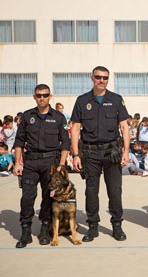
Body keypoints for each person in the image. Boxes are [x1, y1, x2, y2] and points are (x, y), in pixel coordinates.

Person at [70, 66, 130, 242]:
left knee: (115, 191)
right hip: (90, 154)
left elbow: (124, 127)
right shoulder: (82, 101)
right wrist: (75, 155)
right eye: (98, 77)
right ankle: (93, 226)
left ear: (108, 79)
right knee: (91, 192)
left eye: (105, 78)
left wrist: (126, 151)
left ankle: (117, 225)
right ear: (92, 78)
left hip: (112, 152)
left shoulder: (116, 99)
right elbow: (75, 128)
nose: (101, 80)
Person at [13, 84, 70, 248]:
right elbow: (19, 141)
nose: (42, 98)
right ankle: (25, 231)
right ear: (34, 97)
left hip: (50, 163)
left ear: (50, 96)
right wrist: (17, 163)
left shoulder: (59, 117)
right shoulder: (27, 116)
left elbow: (65, 143)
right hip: (30, 163)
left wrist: (61, 165)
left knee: (48, 197)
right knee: (27, 197)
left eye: (45, 95)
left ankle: (45, 229)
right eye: (39, 95)